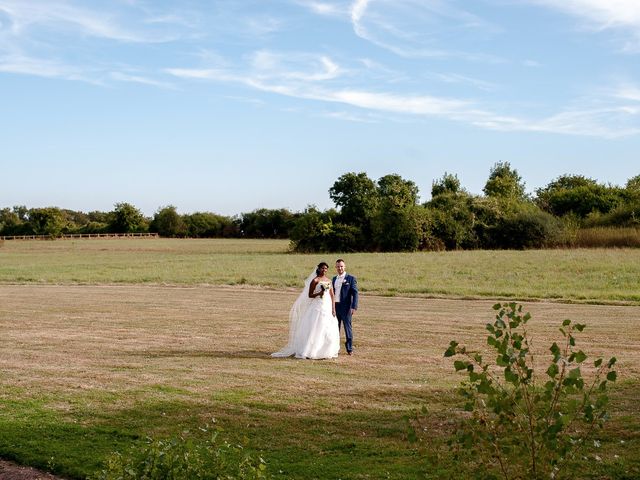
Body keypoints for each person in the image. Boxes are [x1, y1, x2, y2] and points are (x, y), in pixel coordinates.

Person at [271, 262, 340, 359]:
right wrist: (319, 293)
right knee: (315, 327)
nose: (324, 270)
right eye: (323, 268)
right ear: (319, 269)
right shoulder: (315, 280)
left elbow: (332, 295)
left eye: (326, 268)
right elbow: (310, 295)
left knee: (327, 327)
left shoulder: (329, 280)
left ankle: (325, 351)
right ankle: (311, 350)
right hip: (317, 305)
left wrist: (333, 308)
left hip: (327, 306)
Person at [332, 258, 358, 355]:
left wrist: (354, 306)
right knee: (335, 329)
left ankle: (349, 348)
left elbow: (355, 293)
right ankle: (335, 347)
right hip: (336, 306)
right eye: (338, 266)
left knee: (347, 328)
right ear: (336, 267)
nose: (340, 268)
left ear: (344, 266)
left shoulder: (351, 278)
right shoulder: (334, 279)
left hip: (346, 307)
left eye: (341, 266)